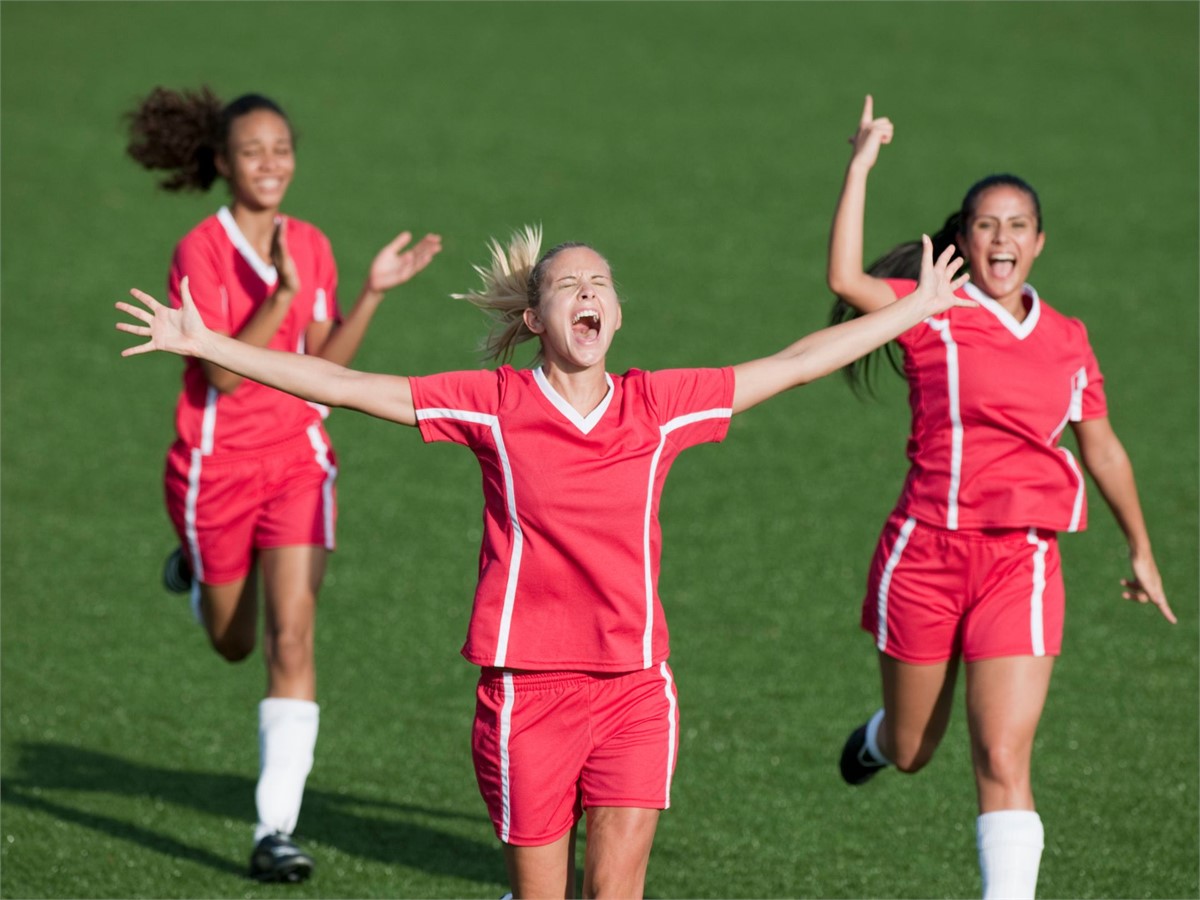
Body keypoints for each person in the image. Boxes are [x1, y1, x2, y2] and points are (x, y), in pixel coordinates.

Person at [119, 223, 970, 899]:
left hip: (637, 687)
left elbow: (792, 365)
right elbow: (345, 385)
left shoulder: (658, 406)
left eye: (600, 282)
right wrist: (208, 343)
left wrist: (916, 307)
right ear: (535, 320)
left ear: (617, 313)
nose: (589, 292)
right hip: (527, 693)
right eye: (569, 284)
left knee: (616, 892)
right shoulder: (492, 405)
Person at [827, 96, 1176, 900]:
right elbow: (845, 279)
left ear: (1040, 242)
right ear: (964, 239)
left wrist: (1142, 548)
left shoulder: (1068, 338)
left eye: (1018, 226)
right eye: (986, 225)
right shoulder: (930, 310)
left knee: (1004, 758)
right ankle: (879, 742)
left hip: (1022, 560)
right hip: (925, 554)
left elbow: (1103, 447)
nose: (1003, 240)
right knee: (917, 749)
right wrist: (861, 165)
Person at [123, 86, 442, 882]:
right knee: (235, 644)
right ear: (224, 164)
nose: (272, 163)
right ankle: (198, 575)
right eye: (253, 152)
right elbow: (221, 378)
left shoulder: (314, 242)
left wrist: (368, 290)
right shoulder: (200, 250)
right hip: (216, 466)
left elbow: (325, 368)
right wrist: (286, 296)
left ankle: (275, 830)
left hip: (299, 458)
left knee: (293, 637)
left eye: (282, 148)